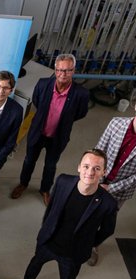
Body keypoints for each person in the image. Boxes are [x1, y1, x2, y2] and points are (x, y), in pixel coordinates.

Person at [6, 149, 117, 279]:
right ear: (79, 167)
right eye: (86, 166)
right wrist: (45, 229)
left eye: (97, 168)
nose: (90, 172)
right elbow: (51, 209)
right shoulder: (63, 181)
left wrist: (89, 243)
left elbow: (107, 230)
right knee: (35, 262)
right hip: (49, 241)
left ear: (103, 172)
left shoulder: (107, 203)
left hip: (73, 253)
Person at [11, 54, 89, 206]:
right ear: (55, 69)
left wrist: (64, 120)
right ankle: (23, 184)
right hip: (38, 133)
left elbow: (80, 113)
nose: (62, 74)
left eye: (67, 70)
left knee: (51, 165)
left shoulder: (81, 93)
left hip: (58, 136)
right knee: (29, 161)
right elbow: (38, 102)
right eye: (59, 70)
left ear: (73, 71)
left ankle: (45, 190)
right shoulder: (43, 84)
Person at [88, 114, 136, 265]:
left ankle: (93, 246)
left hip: (120, 190)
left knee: (105, 220)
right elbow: (99, 150)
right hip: (97, 179)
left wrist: (111, 188)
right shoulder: (116, 123)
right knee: (86, 212)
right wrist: (98, 179)